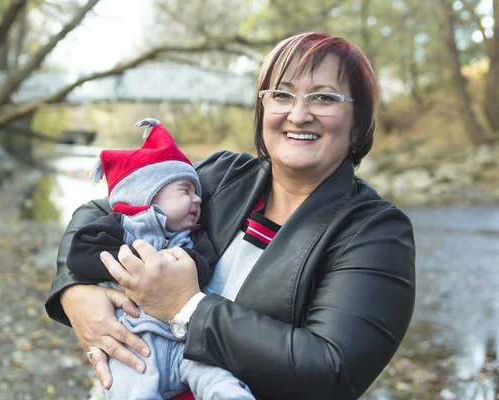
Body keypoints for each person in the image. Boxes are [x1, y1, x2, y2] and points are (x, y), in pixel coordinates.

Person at [45, 31, 416, 400]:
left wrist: (185, 306)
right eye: (282, 95)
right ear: (263, 109)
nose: (299, 114)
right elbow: (103, 209)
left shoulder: (375, 231)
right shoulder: (223, 176)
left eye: (324, 98)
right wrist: (75, 292)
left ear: (358, 120)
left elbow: (332, 369)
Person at [65, 118, 254, 399]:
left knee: (217, 377)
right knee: (130, 390)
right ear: (149, 194)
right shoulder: (118, 227)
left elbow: (203, 269)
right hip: (133, 344)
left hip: (183, 344)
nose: (198, 200)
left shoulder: (195, 239)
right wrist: (127, 266)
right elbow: (80, 254)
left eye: (197, 193)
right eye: (185, 191)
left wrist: (177, 269)